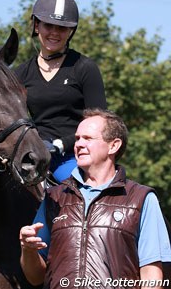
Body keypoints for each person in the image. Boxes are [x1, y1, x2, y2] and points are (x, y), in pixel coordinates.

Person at [19, 108, 171, 289]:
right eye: (77, 139)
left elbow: (152, 275)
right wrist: (28, 250)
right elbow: (35, 277)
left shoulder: (141, 198)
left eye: (88, 138)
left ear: (113, 145)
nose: (78, 144)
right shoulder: (54, 197)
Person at [14, 0, 107, 183]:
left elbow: (100, 123)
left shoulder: (84, 68)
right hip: (33, 154)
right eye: (48, 25)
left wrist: (61, 144)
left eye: (62, 28)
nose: (54, 33)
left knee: (78, 194)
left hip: (74, 156)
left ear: (71, 31)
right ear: (37, 25)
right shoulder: (20, 74)